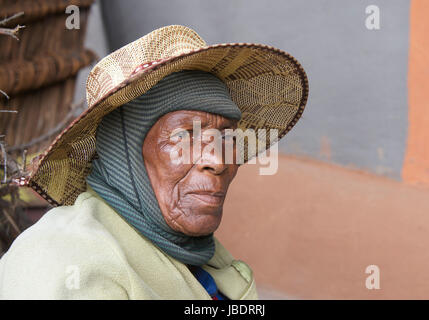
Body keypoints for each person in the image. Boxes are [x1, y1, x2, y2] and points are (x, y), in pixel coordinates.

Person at [0, 25, 308, 299]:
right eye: (184, 136)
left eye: (226, 138)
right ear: (124, 152)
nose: (218, 160)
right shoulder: (66, 261)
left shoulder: (196, 254)